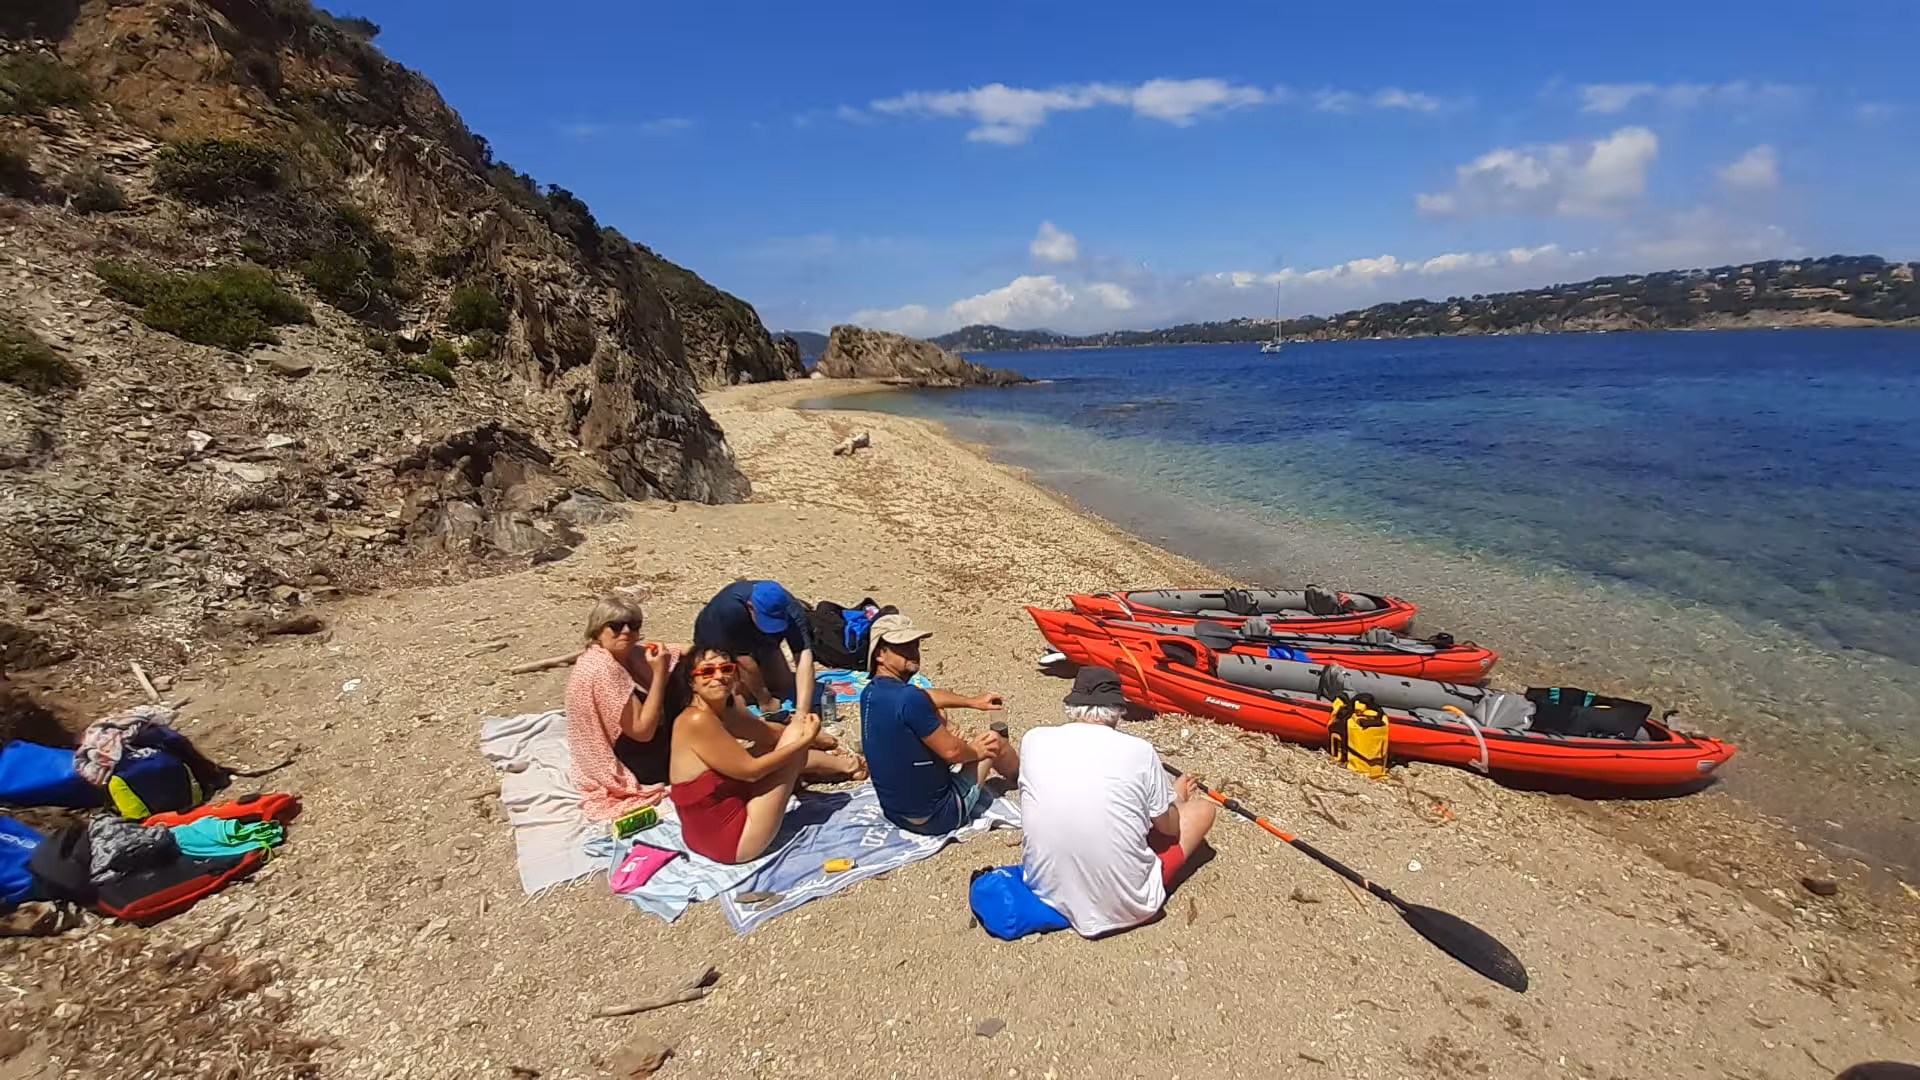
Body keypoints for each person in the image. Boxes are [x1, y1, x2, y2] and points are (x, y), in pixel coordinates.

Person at [1018, 666, 1218, 937]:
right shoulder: (1140, 751)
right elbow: (1169, 828)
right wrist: (1177, 797)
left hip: (1045, 890)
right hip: (1126, 906)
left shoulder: (1034, 739)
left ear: (1074, 706)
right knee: (1203, 809)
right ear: (1117, 711)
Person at [666, 646, 866, 864]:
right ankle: (848, 765)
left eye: (726, 669)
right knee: (793, 746)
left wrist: (816, 740)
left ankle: (839, 765)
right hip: (733, 842)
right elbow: (751, 772)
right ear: (690, 682)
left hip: (700, 835)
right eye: (707, 672)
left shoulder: (719, 710)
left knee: (781, 742)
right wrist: (803, 741)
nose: (718, 677)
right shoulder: (697, 721)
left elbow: (769, 734)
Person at [860, 613, 1017, 835]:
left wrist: (971, 702)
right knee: (993, 741)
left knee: (935, 714)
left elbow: (926, 696)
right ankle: (1025, 777)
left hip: (895, 812)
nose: (912, 651)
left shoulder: (871, 693)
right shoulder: (908, 699)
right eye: (901, 646)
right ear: (880, 654)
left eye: (913, 644)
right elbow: (953, 751)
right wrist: (975, 750)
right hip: (938, 816)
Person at [563, 596, 682, 822]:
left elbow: (675, 651)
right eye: (616, 626)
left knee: (683, 671)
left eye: (633, 625)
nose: (626, 631)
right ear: (598, 629)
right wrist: (658, 675)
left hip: (624, 746)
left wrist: (708, 653)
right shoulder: (605, 669)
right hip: (628, 763)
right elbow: (642, 731)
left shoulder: (622, 654)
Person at [691, 581, 817, 723]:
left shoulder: (793, 610)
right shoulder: (729, 609)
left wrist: (802, 714)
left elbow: (804, 657)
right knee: (738, 697)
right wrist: (766, 701)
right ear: (750, 607)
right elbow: (743, 659)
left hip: (762, 640)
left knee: (785, 685)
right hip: (720, 643)